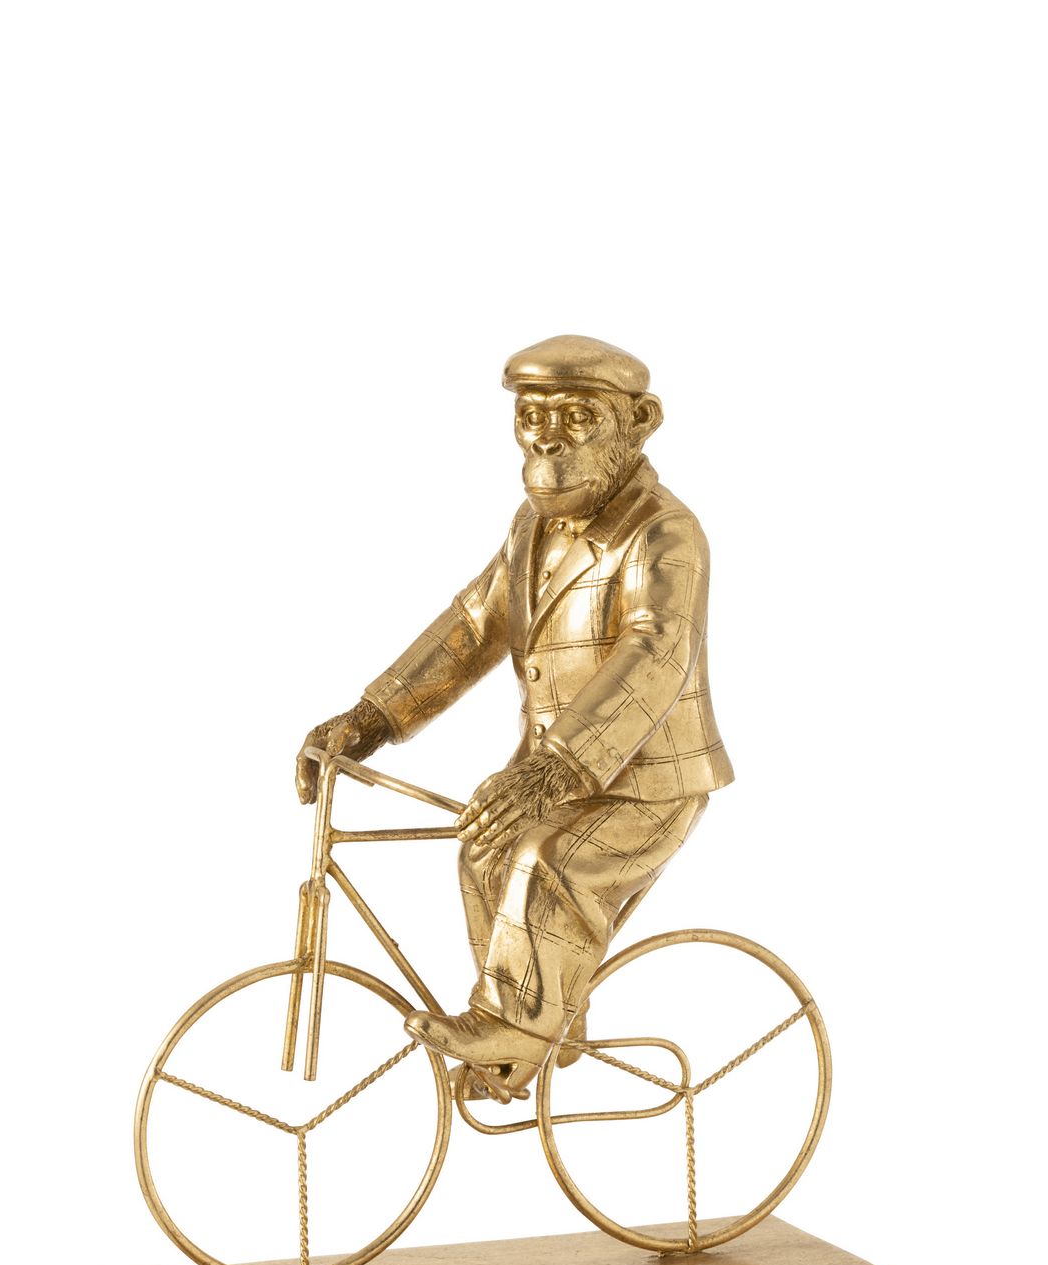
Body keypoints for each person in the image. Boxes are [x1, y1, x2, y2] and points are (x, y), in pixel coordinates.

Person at [295, 334, 732, 1095]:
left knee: (544, 861)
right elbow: (474, 626)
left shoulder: (665, 532)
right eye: (532, 416)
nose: (547, 438)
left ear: (639, 422)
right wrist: (371, 718)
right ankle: (525, 1041)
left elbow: (656, 652)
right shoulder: (531, 528)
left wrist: (556, 765)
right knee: (483, 850)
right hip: (559, 770)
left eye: (578, 417)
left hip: (648, 780)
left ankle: (511, 1025)